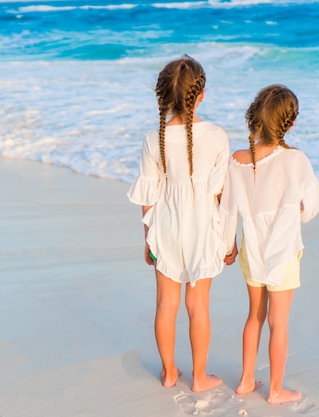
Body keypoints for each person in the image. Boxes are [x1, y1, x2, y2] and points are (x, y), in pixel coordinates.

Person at [127, 55, 230, 392]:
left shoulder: (153, 138)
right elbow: (219, 195)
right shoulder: (216, 135)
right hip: (203, 227)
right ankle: (199, 378)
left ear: (162, 97)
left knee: (165, 305)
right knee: (198, 306)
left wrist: (148, 238)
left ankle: (170, 372)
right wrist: (228, 239)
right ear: (201, 95)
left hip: (166, 226)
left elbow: (148, 193)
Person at [220, 84, 319, 404]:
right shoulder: (296, 160)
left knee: (255, 316)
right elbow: (312, 206)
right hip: (284, 252)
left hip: (252, 249)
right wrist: (294, 215)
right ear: (289, 123)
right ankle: (275, 390)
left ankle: (246, 380)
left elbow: (227, 211)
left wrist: (228, 246)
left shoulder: (237, 160)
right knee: (279, 322)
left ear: (254, 118)